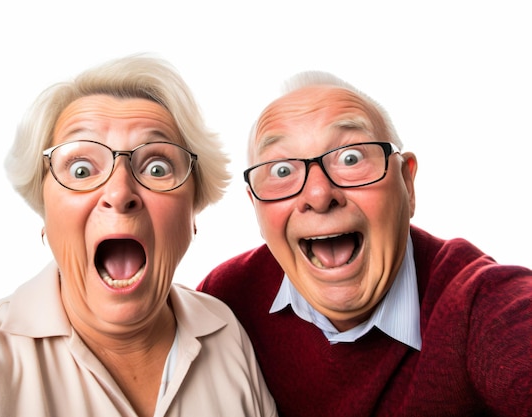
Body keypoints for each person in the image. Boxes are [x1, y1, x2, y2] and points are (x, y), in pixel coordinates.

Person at [0, 55, 277, 417]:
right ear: (46, 216)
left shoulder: (225, 331)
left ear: (192, 214)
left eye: (157, 166)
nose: (119, 193)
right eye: (81, 169)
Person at [198, 71, 531, 416]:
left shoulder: (481, 301)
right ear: (255, 208)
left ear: (407, 183)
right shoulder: (223, 304)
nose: (318, 194)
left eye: (350, 158)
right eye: (282, 171)